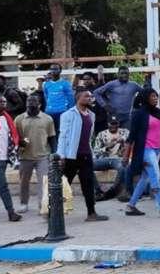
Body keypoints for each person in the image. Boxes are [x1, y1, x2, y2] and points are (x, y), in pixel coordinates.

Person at [124, 88, 160, 218]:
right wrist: (126, 156)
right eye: (152, 96)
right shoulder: (138, 114)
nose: (155, 98)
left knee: (145, 178)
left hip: (157, 150)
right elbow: (131, 137)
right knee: (155, 176)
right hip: (145, 150)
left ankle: (131, 206)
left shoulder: (159, 113)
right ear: (145, 98)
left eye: (156, 96)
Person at [56, 88, 108, 222]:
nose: (90, 98)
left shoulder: (91, 115)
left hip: (86, 155)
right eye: (87, 96)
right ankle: (53, 212)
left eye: (91, 97)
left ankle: (91, 213)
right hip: (71, 156)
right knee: (64, 185)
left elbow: (89, 137)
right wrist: (61, 155)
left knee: (88, 185)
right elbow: (63, 136)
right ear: (78, 98)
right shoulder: (68, 114)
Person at [14, 95, 56, 213]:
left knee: (43, 182)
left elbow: (52, 137)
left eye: (34, 101)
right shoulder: (19, 119)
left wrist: (55, 153)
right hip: (25, 156)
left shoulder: (47, 119)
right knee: (23, 181)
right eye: (29, 101)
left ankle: (42, 205)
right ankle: (23, 203)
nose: (31, 103)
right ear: (26, 104)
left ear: (40, 104)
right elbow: (14, 137)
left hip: (42, 155)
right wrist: (19, 143)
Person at [92, 117, 129, 202]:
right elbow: (96, 151)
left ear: (118, 124)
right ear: (107, 124)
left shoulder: (124, 132)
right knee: (86, 166)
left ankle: (112, 191)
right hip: (104, 159)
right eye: (111, 124)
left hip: (117, 159)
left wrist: (120, 140)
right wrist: (106, 147)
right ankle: (98, 191)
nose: (113, 126)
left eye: (115, 124)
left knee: (123, 167)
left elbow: (128, 137)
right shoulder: (102, 134)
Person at [41, 64, 75, 149]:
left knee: (62, 132)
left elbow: (71, 99)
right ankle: (52, 151)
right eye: (52, 69)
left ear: (60, 71)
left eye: (56, 69)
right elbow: (46, 97)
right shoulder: (46, 84)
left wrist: (70, 111)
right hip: (49, 112)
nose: (53, 71)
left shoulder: (65, 84)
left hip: (62, 112)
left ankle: (61, 151)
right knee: (50, 133)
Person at [74, 69, 108, 133]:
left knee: (101, 136)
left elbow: (101, 79)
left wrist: (100, 69)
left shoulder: (98, 87)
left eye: (88, 79)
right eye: (84, 79)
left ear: (92, 79)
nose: (86, 81)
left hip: (100, 118)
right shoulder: (80, 90)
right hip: (87, 118)